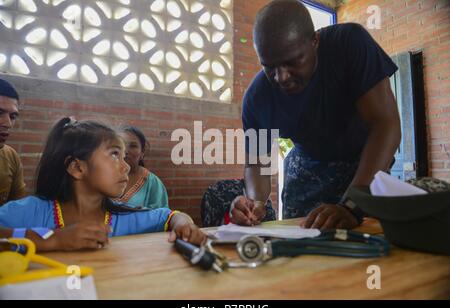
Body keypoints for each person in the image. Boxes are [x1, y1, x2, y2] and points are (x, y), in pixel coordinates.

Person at [230, 0, 401, 230]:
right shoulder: (257, 99)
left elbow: (385, 124)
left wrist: (352, 205)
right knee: (301, 241)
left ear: (315, 41)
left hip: (365, 162)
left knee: (371, 241)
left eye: (292, 62)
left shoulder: (349, 43)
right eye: (270, 67)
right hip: (307, 168)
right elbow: (256, 164)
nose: (281, 77)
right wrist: (255, 202)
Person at [0, 117, 206, 251]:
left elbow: (171, 216)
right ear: (77, 168)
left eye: (125, 156)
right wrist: (54, 240)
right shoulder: (32, 211)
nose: (126, 167)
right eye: (115, 154)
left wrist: (185, 226)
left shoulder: (121, 217)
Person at [116, 125, 168, 209]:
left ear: (142, 152)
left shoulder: (153, 183)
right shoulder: (102, 176)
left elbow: (162, 216)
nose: (125, 151)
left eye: (133, 146)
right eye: (120, 144)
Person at [0, 79, 26, 206]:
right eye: (0, 113)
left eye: (13, 117)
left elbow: (16, 211)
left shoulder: (10, 157)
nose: (8, 123)